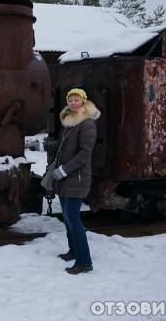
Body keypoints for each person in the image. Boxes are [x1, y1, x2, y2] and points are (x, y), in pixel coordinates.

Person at [50, 88, 100, 274]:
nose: (73, 103)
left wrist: (64, 169)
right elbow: (67, 147)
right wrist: (53, 145)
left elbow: (84, 154)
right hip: (66, 178)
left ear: (83, 101)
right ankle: (73, 250)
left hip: (77, 178)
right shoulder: (69, 121)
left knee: (73, 218)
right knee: (67, 217)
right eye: (70, 100)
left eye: (76, 100)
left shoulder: (86, 124)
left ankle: (85, 261)